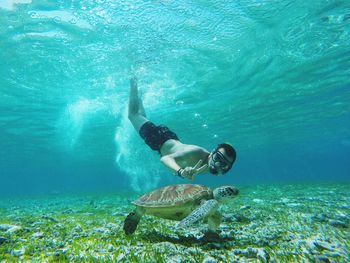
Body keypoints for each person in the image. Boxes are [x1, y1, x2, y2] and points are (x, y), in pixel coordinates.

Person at [128, 77, 236, 180]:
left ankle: (140, 97)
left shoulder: (208, 166)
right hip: (159, 139)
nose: (217, 165)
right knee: (133, 115)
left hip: (168, 141)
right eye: (217, 158)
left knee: (141, 118)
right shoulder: (195, 153)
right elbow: (165, 159)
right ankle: (133, 81)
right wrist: (181, 171)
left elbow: (181, 164)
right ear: (212, 153)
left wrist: (184, 171)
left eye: (224, 164)